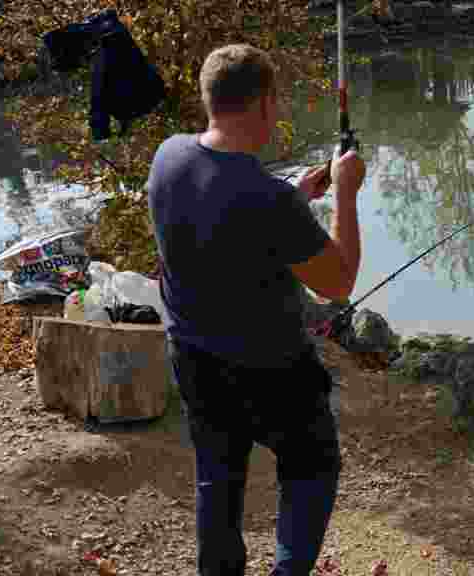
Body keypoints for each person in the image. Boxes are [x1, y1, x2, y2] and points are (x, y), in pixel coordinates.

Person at [146, 43, 366, 575]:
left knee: (218, 475)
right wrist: (346, 194)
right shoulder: (269, 201)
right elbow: (338, 282)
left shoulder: (169, 156)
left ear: (211, 98)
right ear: (265, 103)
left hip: (196, 360)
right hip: (273, 371)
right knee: (311, 468)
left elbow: (221, 215)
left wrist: (295, 195)